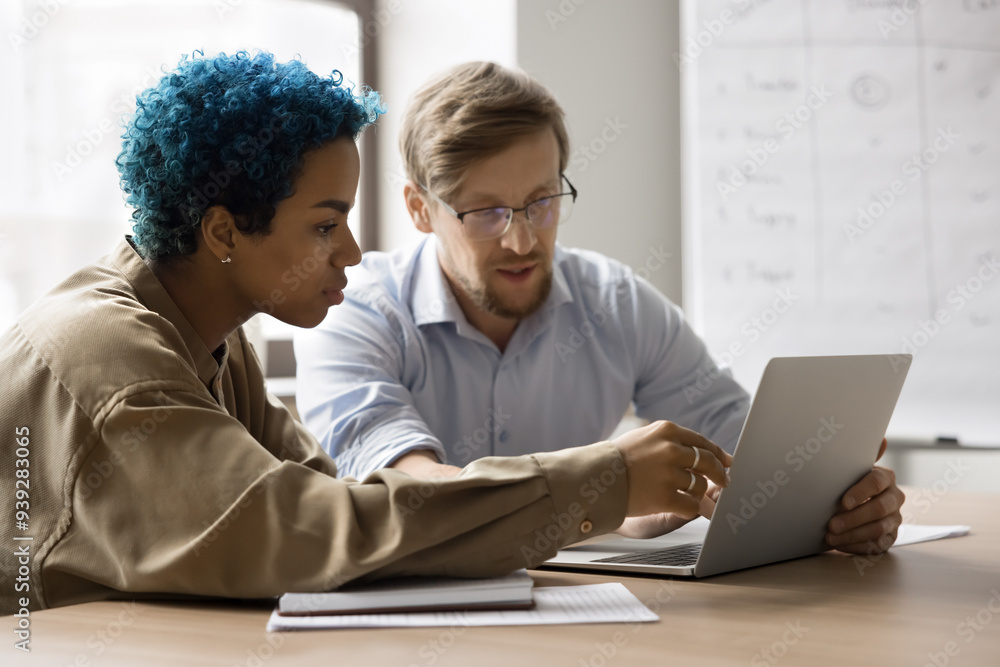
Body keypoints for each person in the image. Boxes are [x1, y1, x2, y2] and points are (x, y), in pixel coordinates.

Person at [0, 51, 734, 616]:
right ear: (223, 230)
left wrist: (617, 505)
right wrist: (603, 481)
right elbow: (315, 532)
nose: (352, 252)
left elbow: (343, 503)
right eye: (325, 225)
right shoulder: (114, 356)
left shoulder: (212, 343)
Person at [294, 61, 904, 553]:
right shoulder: (356, 311)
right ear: (420, 209)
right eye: (486, 213)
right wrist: (609, 497)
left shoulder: (615, 302)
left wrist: (838, 500)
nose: (522, 240)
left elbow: (747, 456)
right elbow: (412, 491)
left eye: (541, 201)